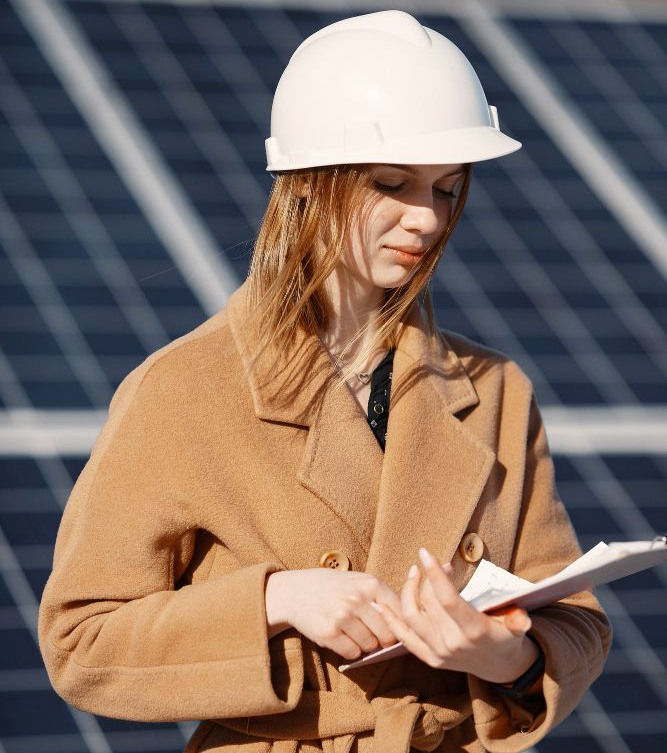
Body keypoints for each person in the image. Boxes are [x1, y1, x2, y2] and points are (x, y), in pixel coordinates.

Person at [38, 10, 612, 753]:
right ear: (306, 184)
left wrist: (501, 654)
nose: (427, 219)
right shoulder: (180, 388)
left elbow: (574, 617)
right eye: (390, 183)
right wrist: (276, 598)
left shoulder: (496, 389)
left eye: (445, 188)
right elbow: (81, 642)